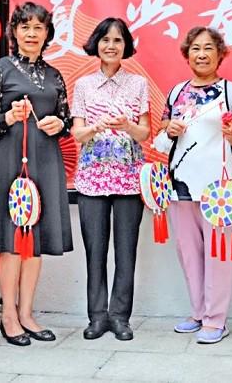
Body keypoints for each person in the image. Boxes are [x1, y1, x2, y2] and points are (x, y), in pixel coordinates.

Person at [0, 1, 72, 346]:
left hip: (45, 159)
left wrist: (58, 123)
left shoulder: (54, 75)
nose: (32, 34)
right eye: (25, 27)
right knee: (12, 241)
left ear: (47, 34)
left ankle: (28, 313)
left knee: (34, 244)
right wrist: (8, 116)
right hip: (10, 162)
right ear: (14, 32)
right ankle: (8, 315)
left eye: (39, 28)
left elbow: (66, 120)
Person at [157, 26, 232, 344]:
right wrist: (169, 130)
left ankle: (216, 319)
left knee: (218, 255)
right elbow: (161, 137)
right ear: (187, 54)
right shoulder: (176, 93)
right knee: (189, 252)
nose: (202, 54)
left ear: (220, 54)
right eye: (196, 48)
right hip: (180, 185)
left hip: (219, 189)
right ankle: (198, 312)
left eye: (209, 48)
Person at [70, 18, 150, 341]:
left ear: (125, 46)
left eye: (118, 40)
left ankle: (120, 317)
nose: (111, 46)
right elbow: (77, 133)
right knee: (95, 249)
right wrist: (94, 128)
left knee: (126, 250)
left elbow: (145, 132)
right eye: (105, 40)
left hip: (129, 178)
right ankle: (96, 316)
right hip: (91, 178)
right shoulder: (84, 86)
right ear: (96, 45)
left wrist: (127, 126)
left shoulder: (139, 84)